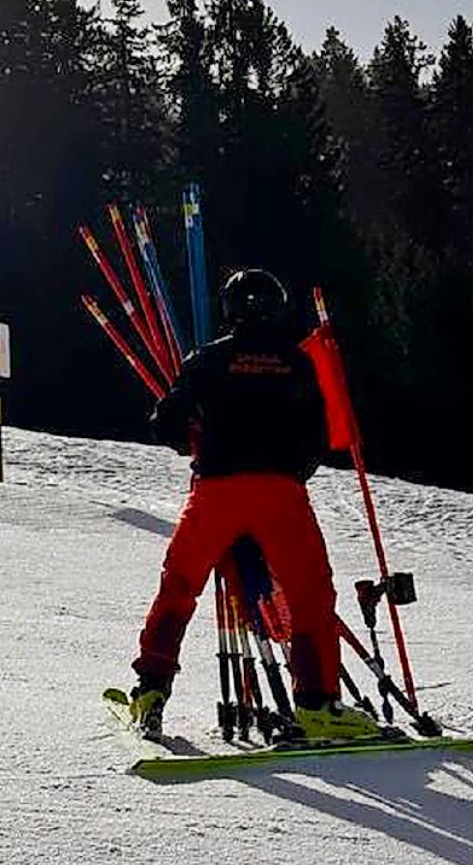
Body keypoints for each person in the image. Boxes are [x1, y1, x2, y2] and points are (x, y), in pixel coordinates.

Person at [130, 267, 380, 742]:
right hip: (280, 493)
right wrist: (288, 473)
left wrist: (197, 438)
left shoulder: (208, 360)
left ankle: (151, 688)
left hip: (215, 491)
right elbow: (318, 437)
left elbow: (164, 423)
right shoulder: (299, 363)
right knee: (310, 596)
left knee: (179, 585)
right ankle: (317, 702)